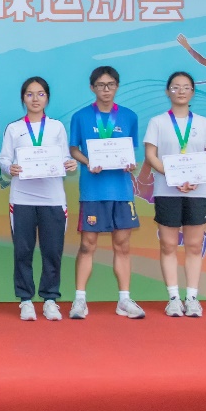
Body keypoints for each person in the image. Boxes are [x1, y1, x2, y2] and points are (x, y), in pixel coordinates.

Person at [0, 77, 77, 322]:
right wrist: (9, 168)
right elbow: (4, 159)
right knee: (23, 251)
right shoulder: (14, 128)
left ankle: (50, 299)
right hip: (22, 198)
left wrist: (70, 164)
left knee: (52, 251)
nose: (35, 99)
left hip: (52, 199)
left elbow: (65, 157)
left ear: (47, 98)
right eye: (30, 94)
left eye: (40, 94)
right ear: (23, 98)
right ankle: (25, 300)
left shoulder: (56, 127)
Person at [68, 65, 143, 319]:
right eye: (101, 85)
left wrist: (130, 163)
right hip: (93, 191)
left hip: (121, 192)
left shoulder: (130, 117)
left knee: (122, 246)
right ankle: (80, 300)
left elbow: (130, 151)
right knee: (87, 245)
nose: (106, 90)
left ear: (117, 87)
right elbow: (73, 149)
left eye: (110, 85)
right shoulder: (80, 117)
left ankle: (124, 300)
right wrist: (88, 162)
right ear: (92, 88)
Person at [144, 71, 206, 318]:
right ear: (168, 91)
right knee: (168, 244)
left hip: (198, 191)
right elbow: (151, 155)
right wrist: (173, 176)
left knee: (194, 245)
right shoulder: (157, 122)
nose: (181, 91)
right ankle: (174, 298)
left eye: (186, 87)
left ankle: (192, 298)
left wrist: (197, 177)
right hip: (167, 190)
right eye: (175, 87)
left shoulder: (204, 123)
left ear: (193, 92)